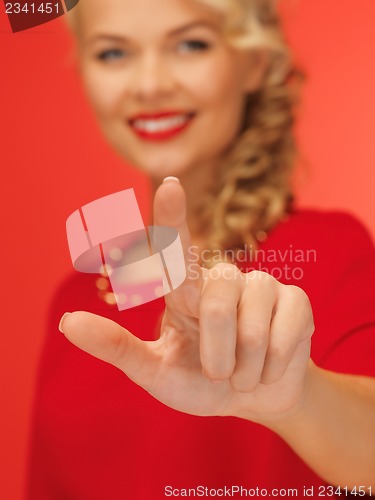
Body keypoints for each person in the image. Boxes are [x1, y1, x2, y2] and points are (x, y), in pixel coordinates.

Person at [27, 0, 375, 498]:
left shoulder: (326, 249)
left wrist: (300, 400)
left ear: (253, 63)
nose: (148, 84)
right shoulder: (77, 299)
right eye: (112, 53)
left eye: (191, 44)